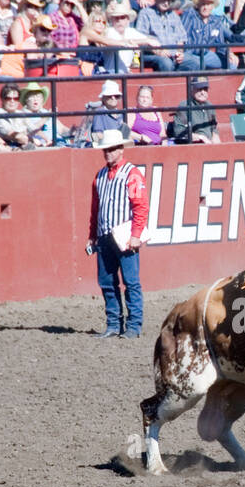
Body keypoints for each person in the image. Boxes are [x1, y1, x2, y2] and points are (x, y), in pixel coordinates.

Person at [86, 128, 147, 339]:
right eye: (106, 150)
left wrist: (136, 234)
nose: (108, 153)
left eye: (112, 149)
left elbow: (140, 206)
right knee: (107, 282)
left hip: (124, 236)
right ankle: (113, 324)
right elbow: (96, 209)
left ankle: (133, 326)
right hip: (105, 236)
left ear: (121, 149)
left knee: (130, 282)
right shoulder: (100, 176)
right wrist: (93, 235)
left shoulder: (132, 173)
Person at [135, 0, 197, 73]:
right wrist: (158, 51)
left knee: (195, 62)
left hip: (173, 54)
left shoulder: (174, 16)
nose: (166, 3)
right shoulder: (146, 13)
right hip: (152, 55)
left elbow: (181, 38)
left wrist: (179, 53)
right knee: (166, 63)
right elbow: (141, 38)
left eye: (169, 0)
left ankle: (184, 86)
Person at [182, 0, 235, 70]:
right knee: (198, 63)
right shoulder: (190, 15)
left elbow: (220, 44)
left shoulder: (216, 22)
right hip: (190, 53)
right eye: (203, 4)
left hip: (206, 54)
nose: (205, 7)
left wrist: (229, 53)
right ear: (198, 4)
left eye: (208, 4)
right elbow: (183, 37)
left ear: (212, 6)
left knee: (232, 63)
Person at [170, 76, 219, 145]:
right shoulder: (185, 106)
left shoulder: (209, 106)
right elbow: (179, 132)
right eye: (199, 89)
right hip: (193, 147)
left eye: (205, 89)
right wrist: (201, 137)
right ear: (192, 89)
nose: (203, 92)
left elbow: (214, 132)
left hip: (209, 145)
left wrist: (218, 149)